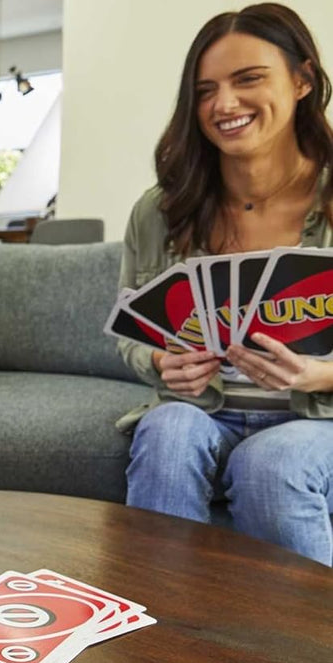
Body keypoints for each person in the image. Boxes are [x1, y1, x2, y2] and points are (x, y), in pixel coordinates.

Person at [118, 2, 333, 566]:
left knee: (270, 465)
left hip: (315, 418)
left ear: (303, 79)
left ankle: (308, 651)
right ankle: (162, 638)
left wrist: (322, 373)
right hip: (200, 408)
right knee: (166, 433)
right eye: (206, 90)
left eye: (248, 79)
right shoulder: (160, 211)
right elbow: (132, 329)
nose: (224, 104)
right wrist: (161, 363)